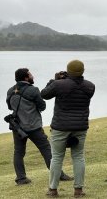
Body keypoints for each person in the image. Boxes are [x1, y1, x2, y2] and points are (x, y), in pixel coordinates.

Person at [6, 68, 72, 185]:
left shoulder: (10, 91)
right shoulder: (33, 90)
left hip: (18, 127)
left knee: (18, 153)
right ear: (26, 78)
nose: (33, 77)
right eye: (30, 75)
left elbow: (10, 107)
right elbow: (42, 106)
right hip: (33, 126)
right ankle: (59, 175)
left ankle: (21, 178)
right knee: (46, 150)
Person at [41, 60, 95, 198]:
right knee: (78, 157)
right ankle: (78, 190)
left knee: (57, 157)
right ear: (82, 71)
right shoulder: (90, 86)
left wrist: (54, 80)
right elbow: (76, 89)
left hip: (61, 126)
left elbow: (44, 94)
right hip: (80, 126)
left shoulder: (59, 85)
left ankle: (53, 190)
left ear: (68, 71)